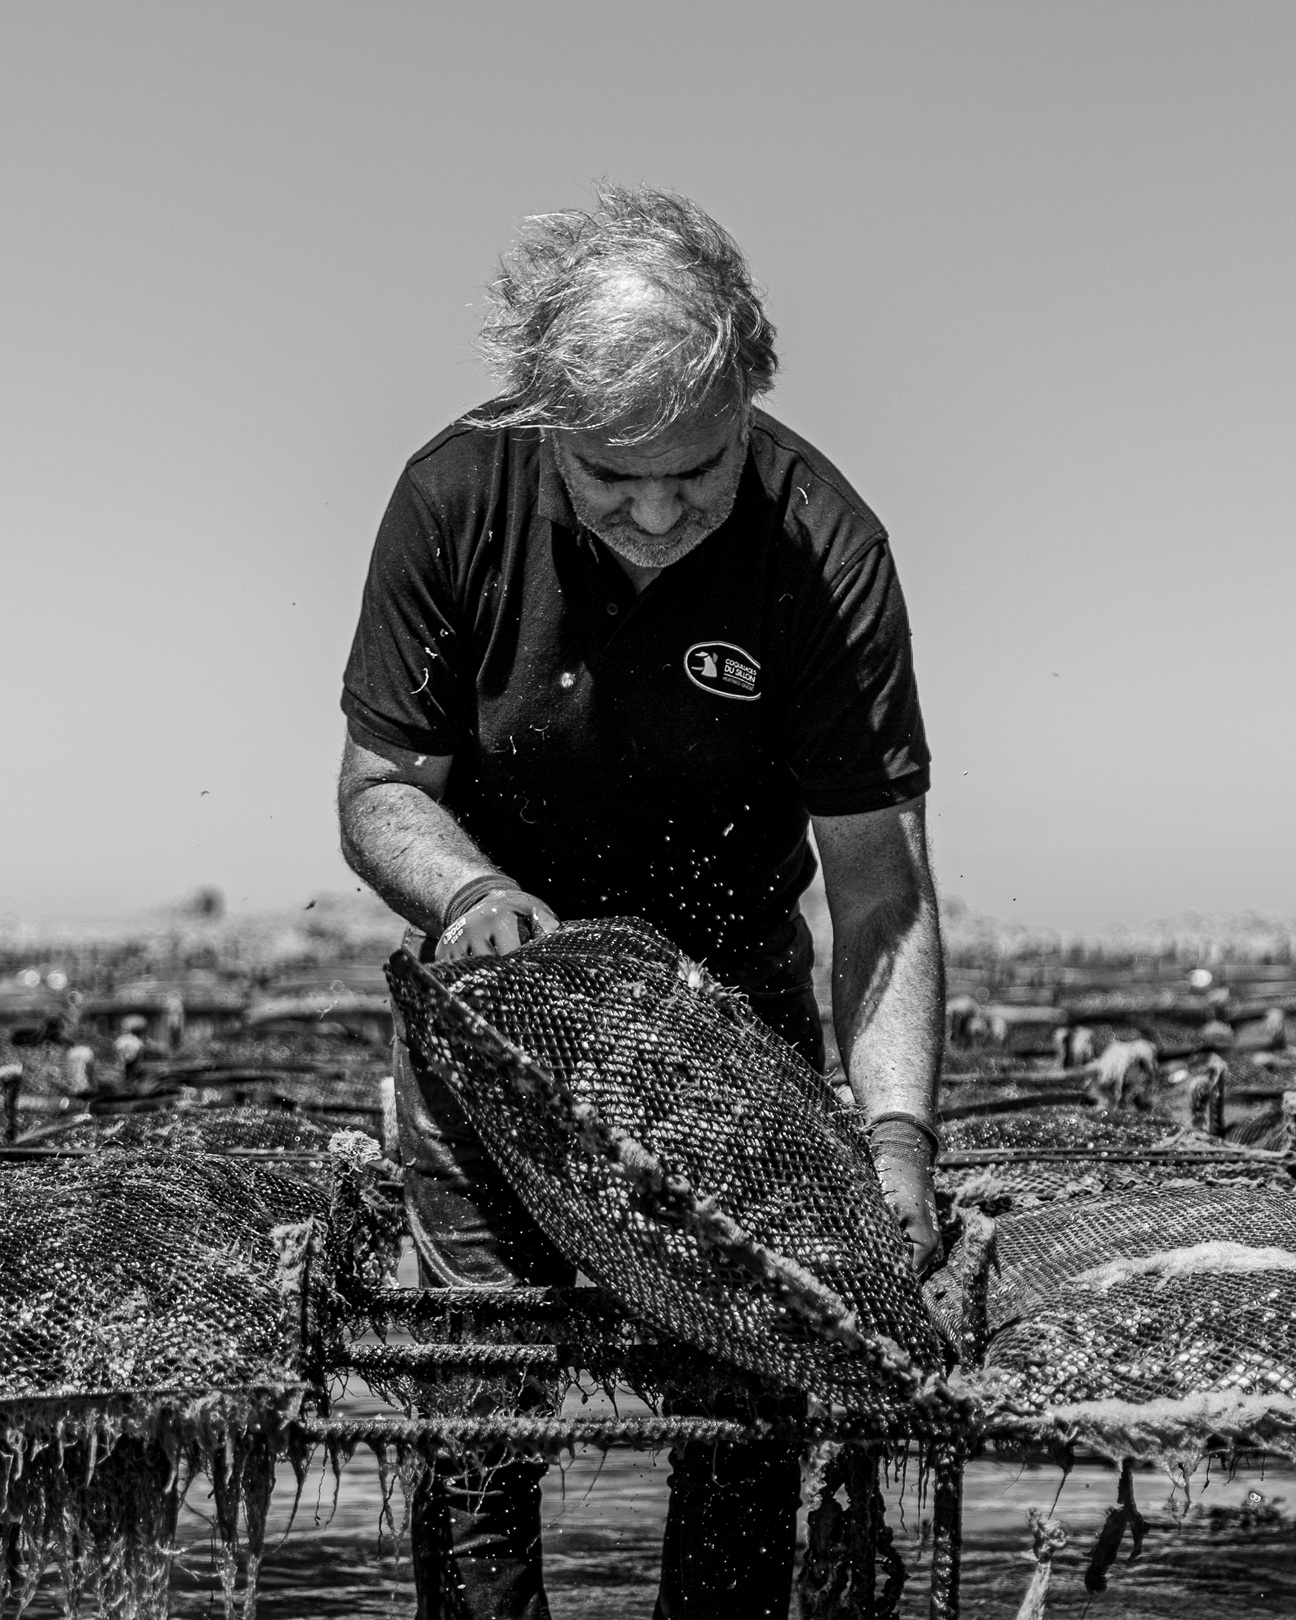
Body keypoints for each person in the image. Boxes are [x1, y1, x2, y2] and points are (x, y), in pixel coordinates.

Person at [337, 184, 944, 1620]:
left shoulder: (823, 543)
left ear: (751, 403)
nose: (663, 513)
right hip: (496, 1010)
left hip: (730, 1021)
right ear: (548, 425)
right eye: (618, 479)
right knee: (479, 1412)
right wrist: (473, 891)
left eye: (702, 468)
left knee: (744, 1420)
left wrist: (900, 1142)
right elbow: (377, 791)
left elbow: (880, 894)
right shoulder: (453, 497)